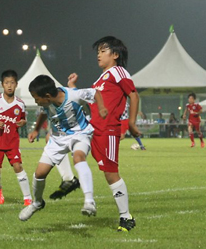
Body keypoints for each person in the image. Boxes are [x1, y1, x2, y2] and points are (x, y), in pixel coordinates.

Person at [63, 36, 140, 232]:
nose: (98, 54)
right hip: (93, 130)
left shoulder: (118, 71)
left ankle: (126, 217)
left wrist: (130, 123)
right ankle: (70, 180)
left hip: (109, 131)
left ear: (115, 55)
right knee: (64, 145)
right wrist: (73, 89)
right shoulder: (101, 78)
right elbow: (92, 101)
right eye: (98, 51)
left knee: (111, 173)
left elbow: (133, 94)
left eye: (103, 50)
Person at [19, 75, 107, 221]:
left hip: (80, 133)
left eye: (36, 98)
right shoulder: (46, 102)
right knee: (39, 174)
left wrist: (102, 108)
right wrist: (36, 130)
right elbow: (43, 112)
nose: (35, 101)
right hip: (58, 138)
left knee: (78, 157)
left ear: (47, 96)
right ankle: (37, 203)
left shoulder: (73, 95)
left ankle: (89, 202)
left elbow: (95, 93)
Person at [0, 70, 32, 206]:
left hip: (12, 142)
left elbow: (22, 119)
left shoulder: (20, 104)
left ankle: (28, 198)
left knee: (18, 166)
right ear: (2, 85)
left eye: (12, 83)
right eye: (6, 83)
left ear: (16, 84)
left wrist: (23, 122)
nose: (9, 86)